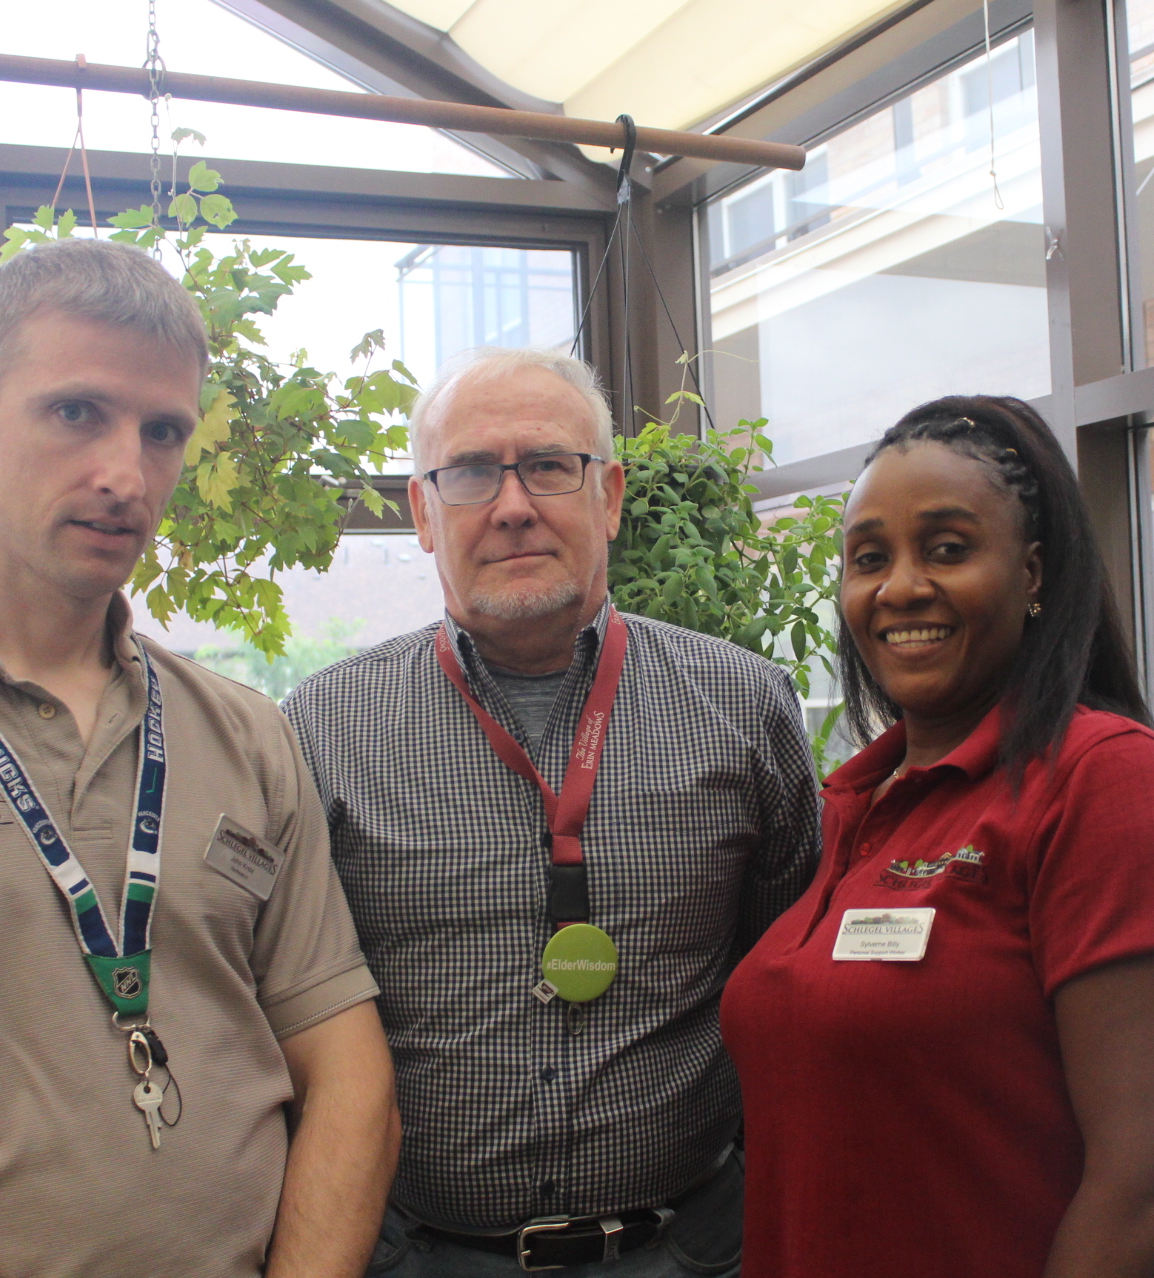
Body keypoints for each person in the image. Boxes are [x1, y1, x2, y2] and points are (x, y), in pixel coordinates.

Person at [0, 237, 399, 1278]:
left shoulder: (242, 730)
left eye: (163, 431)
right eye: (75, 412)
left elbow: (350, 1075)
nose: (124, 474)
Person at [282, 345, 821, 1277]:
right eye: (471, 472)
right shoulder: (321, 729)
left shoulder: (746, 707)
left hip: (693, 1250)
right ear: (423, 511)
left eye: (548, 466)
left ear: (607, 495)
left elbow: (789, 997)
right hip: (424, 1254)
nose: (513, 503)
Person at [721, 396, 1154, 1278]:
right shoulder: (859, 803)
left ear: (1035, 573)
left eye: (947, 549)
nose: (899, 588)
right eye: (868, 559)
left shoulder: (1107, 785)